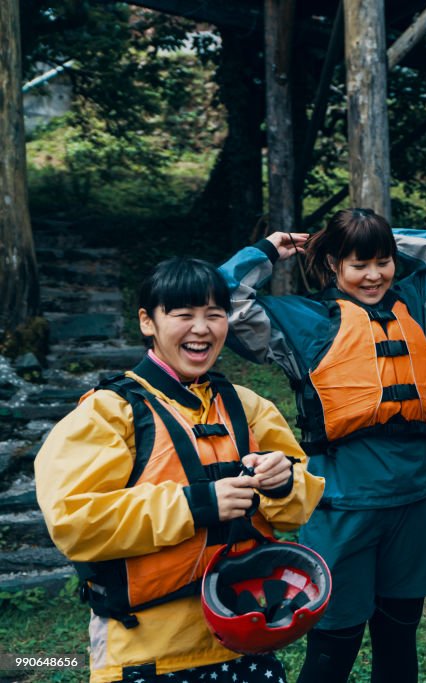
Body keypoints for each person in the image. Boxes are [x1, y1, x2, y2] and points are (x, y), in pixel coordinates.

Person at [217, 208, 426, 683]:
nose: (374, 275)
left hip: (414, 501)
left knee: (399, 639)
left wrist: (377, 236)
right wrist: (268, 252)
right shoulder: (303, 321)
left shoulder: (415, 303)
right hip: (341, 505)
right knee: (333, 645)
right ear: (333, 264)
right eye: (358, 264)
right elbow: (222, 296)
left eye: (383, 261)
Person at [35, 258, 325, 683]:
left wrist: (283, 483)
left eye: (214, 314)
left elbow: (296, 509)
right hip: (147, 655)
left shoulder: (246, 405)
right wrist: (197, 504)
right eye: (183, 315)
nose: (202, 328)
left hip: (246, 639)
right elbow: (74, 522)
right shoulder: (108, 413)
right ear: (147, 322)